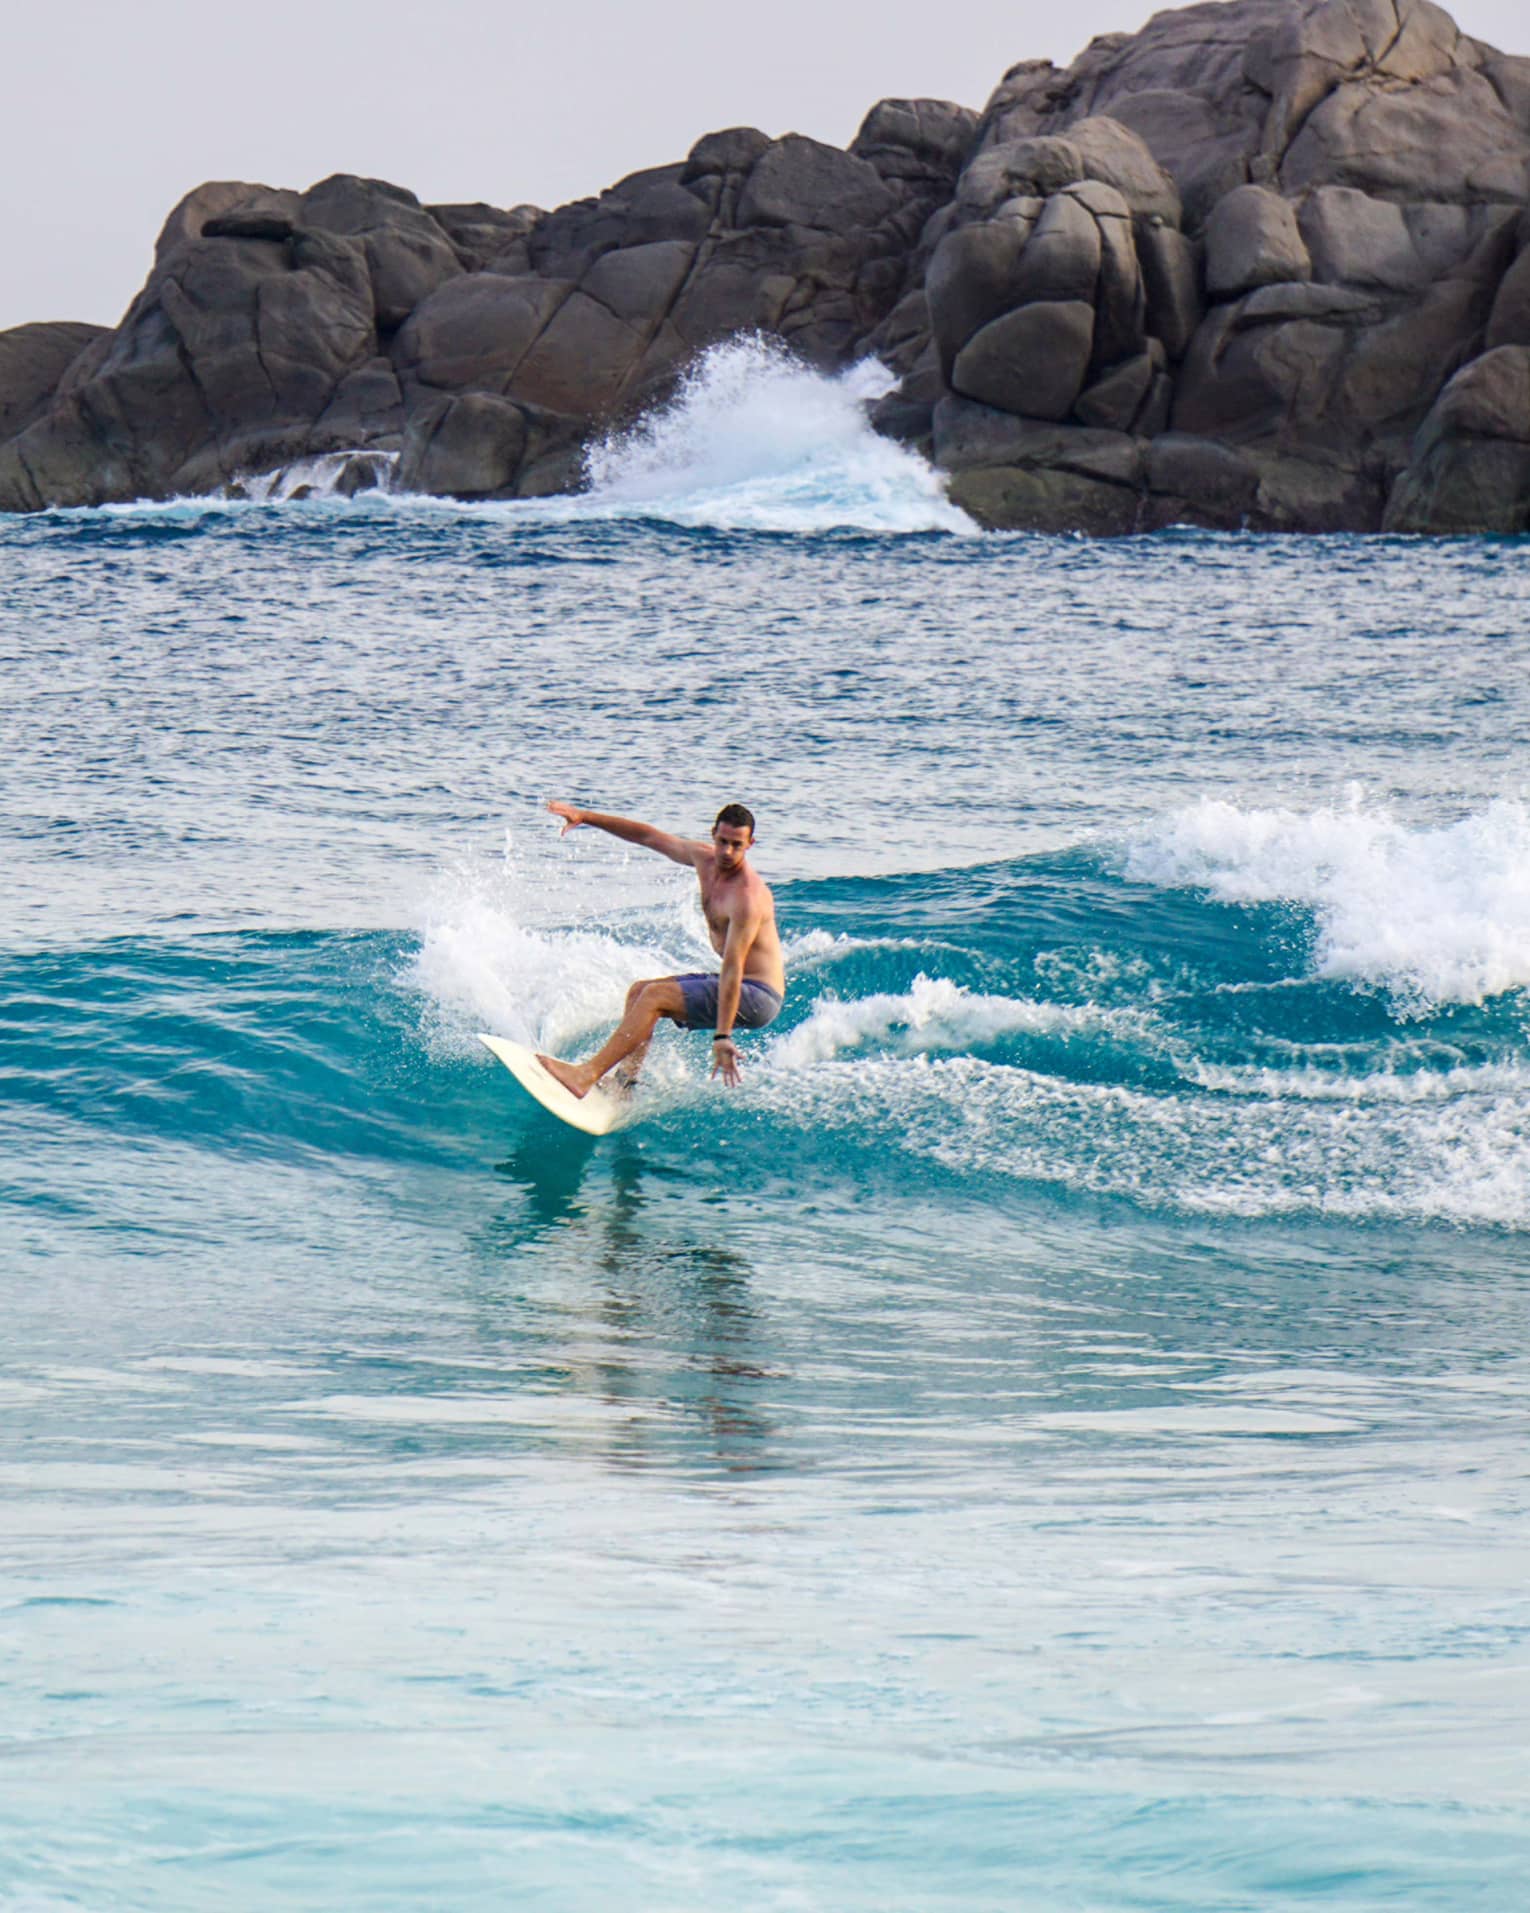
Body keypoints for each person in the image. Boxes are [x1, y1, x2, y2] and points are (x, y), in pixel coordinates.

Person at [538, 800, 786, 1098]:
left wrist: (722, 1036)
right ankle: (623, 1084)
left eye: (737, 845)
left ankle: (585, 1075)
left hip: (758, 995)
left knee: (655, 997)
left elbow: (732, 968)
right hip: (739, 983)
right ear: (713, 835)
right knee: (640, 991)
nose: (727, 852)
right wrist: (586, 817)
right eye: (722, 842)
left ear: (750, 844)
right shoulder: (704, 859)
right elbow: (648, 836)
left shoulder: (748, 897)